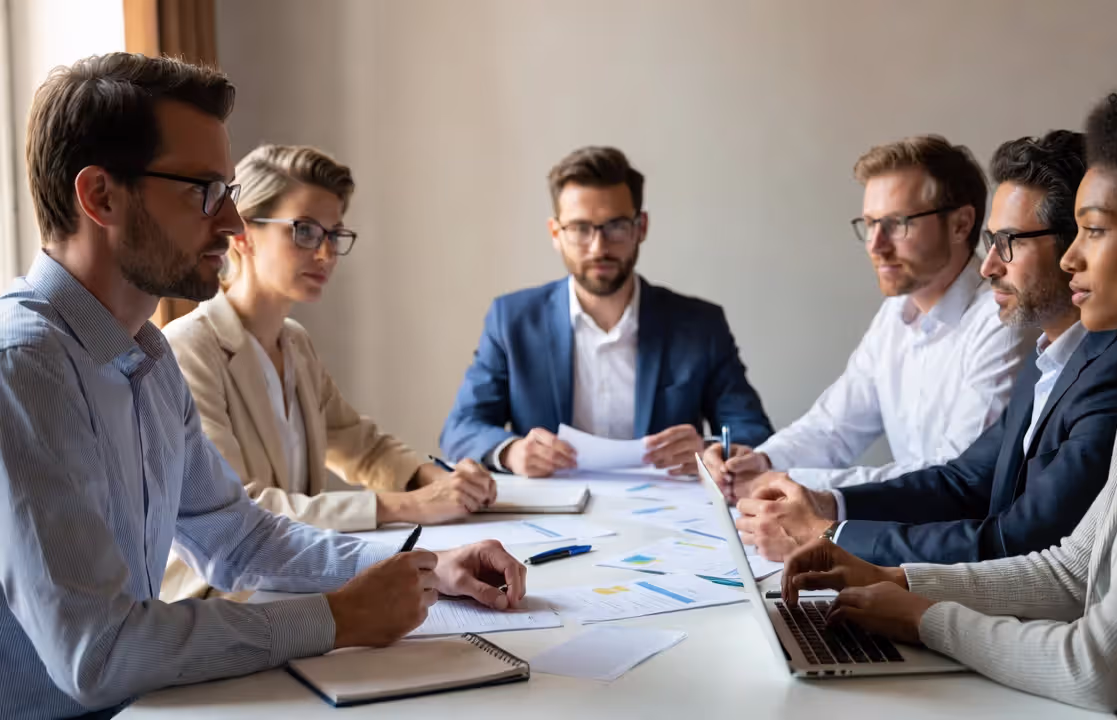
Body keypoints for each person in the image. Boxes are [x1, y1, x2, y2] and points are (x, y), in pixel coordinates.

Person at [0, 53, 525, 719]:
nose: (232, 225)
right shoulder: (23, 366)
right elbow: (96, 655)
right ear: (100, 196)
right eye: (205, 192)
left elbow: (240, 538)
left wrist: (429, 566)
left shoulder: (148, 355)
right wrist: (333, 620)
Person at [781, 76, 1117, 719]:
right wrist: (893, 580)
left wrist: (923, 617)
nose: (1070, 258)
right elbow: (1074, 571)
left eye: (1093, 231)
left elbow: (1099, 668)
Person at [735, 131, 1117, 563]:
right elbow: (962, 480)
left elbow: (1022, 540)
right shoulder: (1050, 356)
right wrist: (826, 505)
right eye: (870, 224)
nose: (989, 266)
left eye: (1007, 242)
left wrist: (829, 537)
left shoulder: (1110, 363)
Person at [158, 144, 496, 602]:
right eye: (304, 231)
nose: (325, 253)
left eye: (334, 235)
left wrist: (434, 479)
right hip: (220, 596)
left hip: (293, 583)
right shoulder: (188, 347)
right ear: (243, 234)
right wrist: (407, 506)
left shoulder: (295, 342)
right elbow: (243, 513)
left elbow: (361, 444)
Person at [703, 136, 1034, 501]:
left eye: (896, 224)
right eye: (870, 224)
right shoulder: (896, 312)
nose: (876, 245)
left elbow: (955, 476)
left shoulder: (1000, 321)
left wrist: (794, 484)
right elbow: (834, 427)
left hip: (963, 547)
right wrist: (761, 461)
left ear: (960, 224)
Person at [440, 146, 773, 477]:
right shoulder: (512, 320)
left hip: (671, 514)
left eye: (615, 227)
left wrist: (710, 449)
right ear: (556, 234)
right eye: (581, 228)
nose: (598, 247)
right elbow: (461, 428)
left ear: (641, 227)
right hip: (552, 516)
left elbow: (752, 430)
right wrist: (511, 451)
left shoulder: (700, 325)